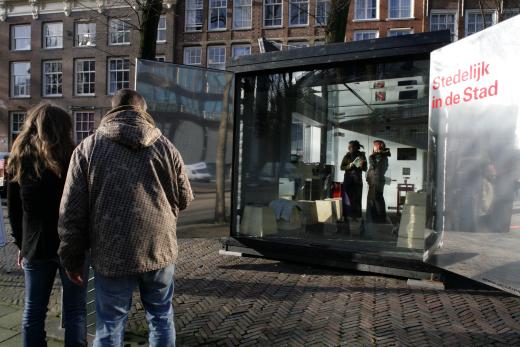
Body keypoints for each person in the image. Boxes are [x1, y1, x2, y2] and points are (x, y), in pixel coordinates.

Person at [58, 89, 194, 347]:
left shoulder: (88, 148)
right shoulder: (166, 147)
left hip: (112, 251)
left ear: (112, 110)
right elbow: (185, 197)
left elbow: (71, 212)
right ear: (143, 111)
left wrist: (70, 258)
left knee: (109, 324)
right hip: (159, 248)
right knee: (161, 317)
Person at [7, 103, 88, 347]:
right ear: (65, 129)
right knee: (76, 312)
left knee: (33, 312)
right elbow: (84, 204)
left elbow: (14, 210)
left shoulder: (19, 159)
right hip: (71, 244)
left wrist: (22, 244)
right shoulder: (75, 156)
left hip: (36, 245)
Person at [340, 140, 367, 221]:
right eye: (349, 146)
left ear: (355, 147)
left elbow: (365, 168)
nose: (349, 148)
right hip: (348, 179)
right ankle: (346, 216)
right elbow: (342, 167)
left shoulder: (362, 156)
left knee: (357, 199)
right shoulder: (347, 156)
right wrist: (349, 165)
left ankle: (356, 217)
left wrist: (360, 165)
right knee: (347, 198)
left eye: (350, 146)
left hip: (357, 180)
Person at [366, 140, 391, 224]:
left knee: (377, 199)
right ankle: (378, 217)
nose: (373, 147)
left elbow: (375, 166)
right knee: (376, 199)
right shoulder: (381, 156)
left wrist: (372, 156)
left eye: (374, 145)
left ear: (378, 146)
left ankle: (380, 218)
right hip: (375, 180)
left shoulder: (380, 156)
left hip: (376, 180)